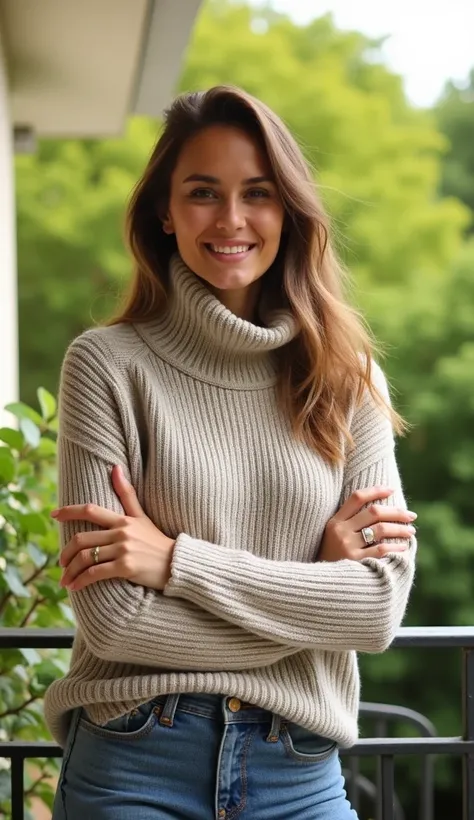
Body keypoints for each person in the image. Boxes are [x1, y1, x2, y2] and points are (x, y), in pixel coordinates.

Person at [45, 85, 417, 820]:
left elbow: (374, 609)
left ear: (289, 211)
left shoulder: (347, 378)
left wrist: (176, 562)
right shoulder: (106, 366)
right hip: (135, 763)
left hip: (299, 773)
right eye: (203, 193)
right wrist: (314, 592)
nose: (232, 220)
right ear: (165, 211)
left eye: (258, 193)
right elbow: (115, 621)